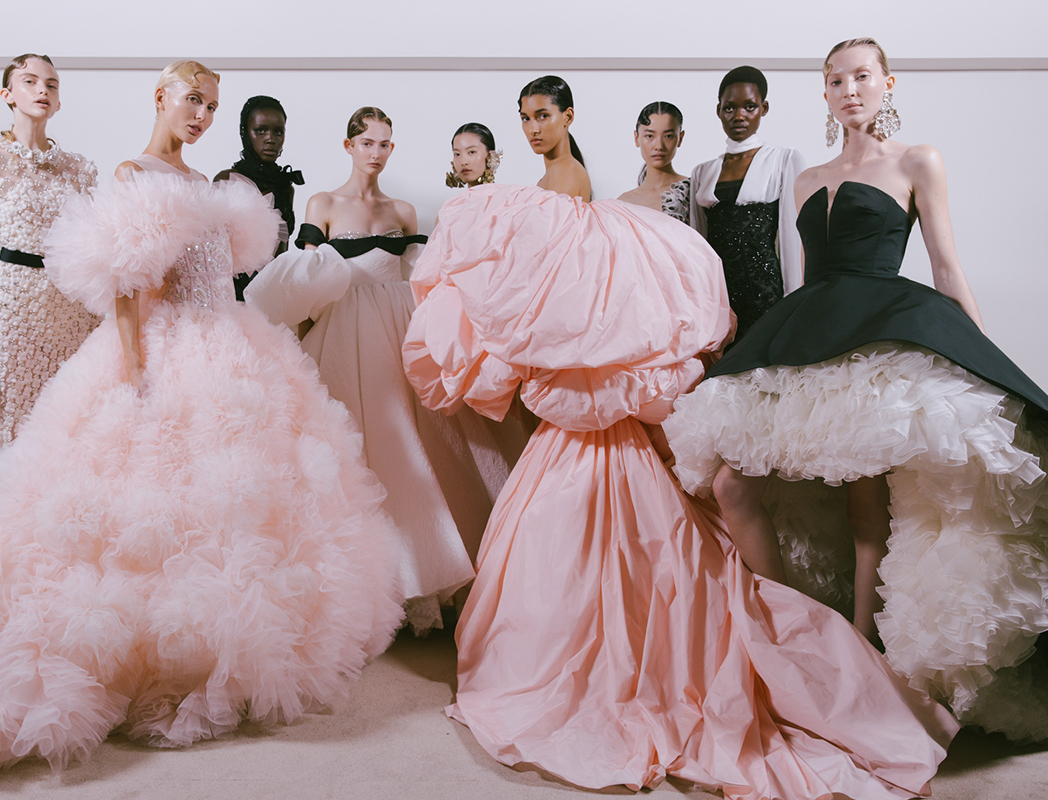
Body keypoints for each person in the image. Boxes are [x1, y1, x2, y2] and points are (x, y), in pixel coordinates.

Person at [403, 73, 957, 797]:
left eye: (545, 115)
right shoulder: (558, 192)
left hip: (625, 373)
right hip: (599, 388)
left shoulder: (569, 189)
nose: (534, 127)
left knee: (661, 535)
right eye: (525, 117)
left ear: (569, 116)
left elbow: (580, 296)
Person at [0, 60, 404, 774]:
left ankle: (218, 640)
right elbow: (128, 288)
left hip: (229, 342)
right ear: (161, 97)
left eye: (211, 104)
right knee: (139, 505)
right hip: (164, 347)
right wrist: (138, 370)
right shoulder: (133, 173)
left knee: (242, 506)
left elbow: (216, 278)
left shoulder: (205, 184)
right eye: (191, 100)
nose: (201, 114)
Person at [663, 38, 1048, 742]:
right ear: (824, 93)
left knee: (867, 504)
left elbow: (947, 268)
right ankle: (787, 626)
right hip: (813, 330)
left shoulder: (916, 160)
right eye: (835, 80)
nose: (849, 90)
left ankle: (862, 648)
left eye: (861, 77)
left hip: (882, 332)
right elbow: (805, 281)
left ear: (887, 83)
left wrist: (984, 357)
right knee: (732, 487)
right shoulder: (807, 177)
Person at [246, 107, 524, 634]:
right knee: (352, 454)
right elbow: (302, 282)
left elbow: (424, 282)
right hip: (344, 333)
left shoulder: (404, 211)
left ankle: (423, 575)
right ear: (348, 145)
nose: (376, 152)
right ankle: (357, 592)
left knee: (421, 453)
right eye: (367, 142)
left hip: (401, 331)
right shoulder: (322, 203)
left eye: (385, 144)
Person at [0, 53, 99, 518]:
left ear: (58, 100)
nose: (42, 90)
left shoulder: (80, 169)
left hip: (73, 316)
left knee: (68, 433)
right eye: (29, 81)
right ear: (7, 95)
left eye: (51, 85)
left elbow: (95, 253)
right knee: (6, 435)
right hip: (11, 313)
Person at [690, 66, 805, 342]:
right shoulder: (702, 172)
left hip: (765, 294)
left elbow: (793, 237)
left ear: (764, 108)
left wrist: (794, 303)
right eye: (729, 108)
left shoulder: (784, 160)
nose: (739, 116)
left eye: (749, 107)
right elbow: (698, 246)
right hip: (719, 297)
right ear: (719, 110)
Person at [214, 95, 304, 300]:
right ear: (245, 133)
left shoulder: (286, 188)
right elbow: (212, 250)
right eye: (260, 130)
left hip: (267, 294)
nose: (270, 139)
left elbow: (282, 251)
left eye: (278, 132)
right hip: (228, 294)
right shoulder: (226, 180)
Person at [617, 101, 690, 222]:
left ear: (680, 138)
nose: (659, 146)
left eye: (668, 136)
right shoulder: (623, 203)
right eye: (650, 136)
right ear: (636, 138)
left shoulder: (692, 191)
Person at [445, 123, 501, 187]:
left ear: (491, 156)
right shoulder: (459, 197)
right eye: (457, 154)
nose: (463, 162)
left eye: (471, 152)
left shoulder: (510, 195)